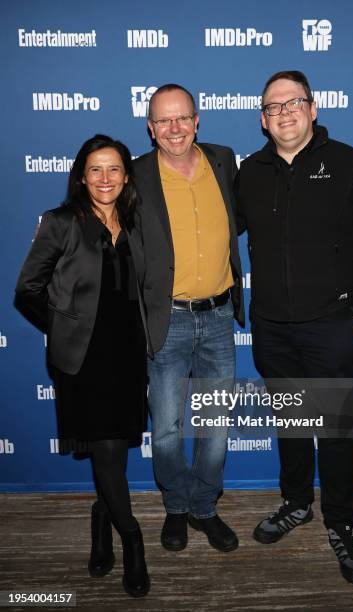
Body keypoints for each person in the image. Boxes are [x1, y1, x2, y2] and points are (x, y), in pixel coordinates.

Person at [235, 71, 353, 584]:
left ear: (313, 108)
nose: (283, 113)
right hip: (272, 327)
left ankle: (342, 524)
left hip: (332, 325)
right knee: (291, 425)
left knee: (333, 431)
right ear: (262, 119)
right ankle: (296, 502)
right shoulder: (250, 173)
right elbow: (206, 229)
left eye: (293, 103)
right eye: (273, 107)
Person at [15, 134, 151, 598]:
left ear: (126, 175)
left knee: (111, 454)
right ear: (80, 175)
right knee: (109, 452)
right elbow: (27, 289)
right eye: (95, 169)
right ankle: (131, 537)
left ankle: (100, 519)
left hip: (129, 357)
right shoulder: (60, 223)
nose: (105, 178)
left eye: (114, 169)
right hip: (83, 361)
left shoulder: (134, 221)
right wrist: (63, 325)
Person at [133, 84, 244, 553]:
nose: (174, 129)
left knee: (216, 429)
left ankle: (204, 508)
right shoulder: (136, 174)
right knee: (166, 432)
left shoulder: (224, 160)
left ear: (197, 121)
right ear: (150, 128)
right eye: (164, 121)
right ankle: (177, 507)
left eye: (183, 118)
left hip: (218, 317)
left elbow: (243, 219)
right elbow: (103, 221)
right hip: (168, 322)